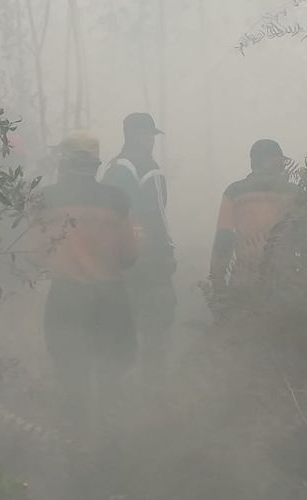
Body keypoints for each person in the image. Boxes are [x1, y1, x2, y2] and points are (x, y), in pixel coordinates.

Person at [28, 130, 139, 440]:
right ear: (96, 165)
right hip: (111, 301)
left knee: (72, 376)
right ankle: (112, 442)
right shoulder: (116, 200)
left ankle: (77, 444)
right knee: (112, 376)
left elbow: (34, 253)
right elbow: (130, 255)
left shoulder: (44, 199)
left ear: (63, 163)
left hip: (66, 299)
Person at [97, 112, 176, 386]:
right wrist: (167, 252)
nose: (150, 140)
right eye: (147, 134)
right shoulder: (148, 168)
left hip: (119, 259)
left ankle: (116, 388)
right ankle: (154, 392)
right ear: (134, 135)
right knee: (155, 327)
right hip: (150, 260)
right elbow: (158, 216)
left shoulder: (112, 169)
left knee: (123, 325)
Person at [209, 139, 298, 294]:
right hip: (284, 285)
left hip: (244, 282)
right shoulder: (293, 193)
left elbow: (224, 239)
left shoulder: (234, 192)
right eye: (280, 160)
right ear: (274, 161)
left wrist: (217, 283)